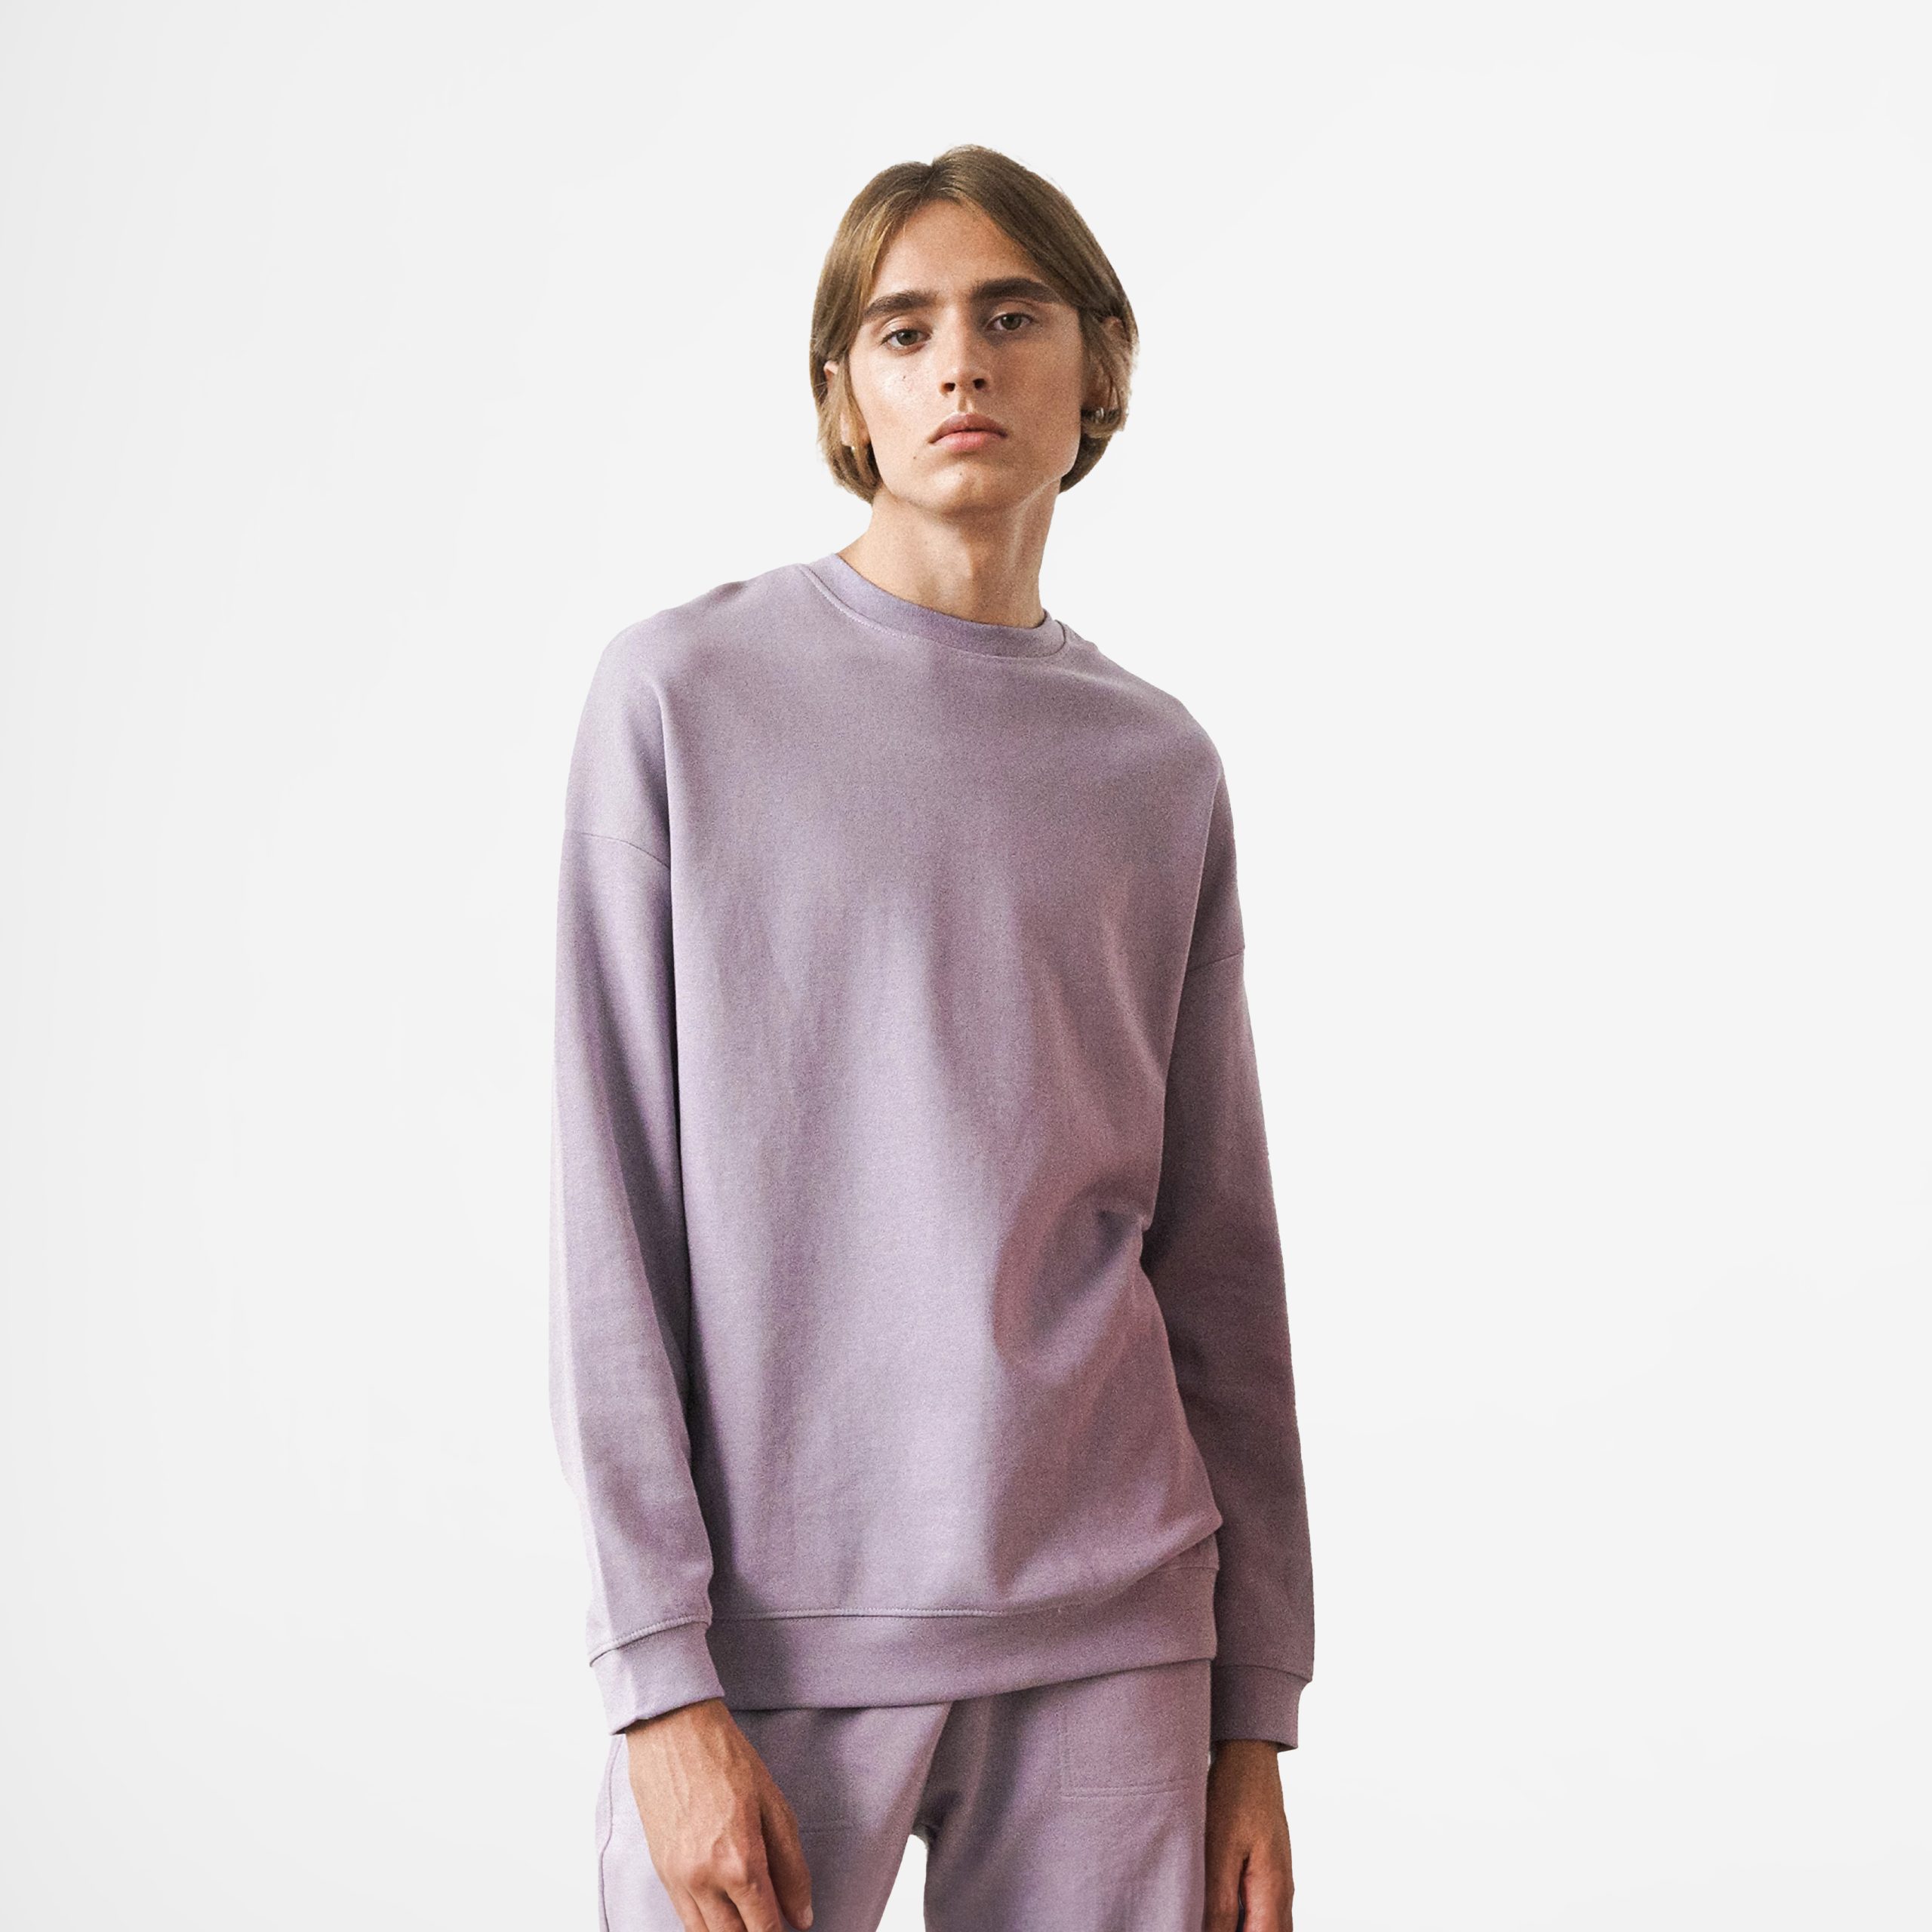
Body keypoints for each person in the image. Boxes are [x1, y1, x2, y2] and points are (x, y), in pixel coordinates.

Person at [548, 143, 1315, 1932]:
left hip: (1116, 1625)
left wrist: (1250, 1713)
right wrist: (656, 1681)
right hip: (771, 1636)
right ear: (845, 393)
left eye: (1009, 315)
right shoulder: (680, 699)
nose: (958, 361)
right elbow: (609, 1217)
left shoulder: (1156, 766)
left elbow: (1217, 1257)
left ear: (1096, 367)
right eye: (903, 329)